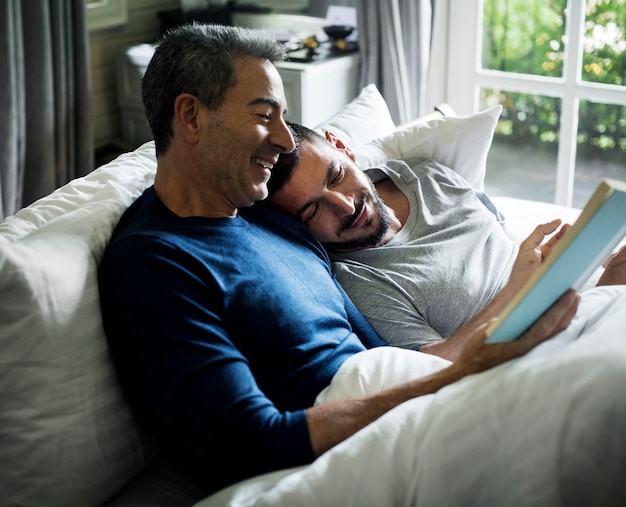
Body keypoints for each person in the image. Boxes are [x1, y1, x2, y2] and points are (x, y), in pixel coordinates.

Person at [97, 23, 580, 497]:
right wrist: (458, 376)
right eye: (265, 115)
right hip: (347, 457)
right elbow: (246, 444)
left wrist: (463, 368)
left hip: (404, 405)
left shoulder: (275, 222)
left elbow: (380, 361)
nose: (285, 140)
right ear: (191, 117)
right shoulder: (152, 263)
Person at [266, 122, 625, 358]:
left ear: (342, 148)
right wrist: (522, 287)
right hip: (560, 347)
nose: (345, 206)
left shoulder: (425, 173)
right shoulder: (359, 281)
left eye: (337, 176)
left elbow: (502, 236)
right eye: (313, 211)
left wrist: (581, 260)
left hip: (583, 295)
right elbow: (436, 366)